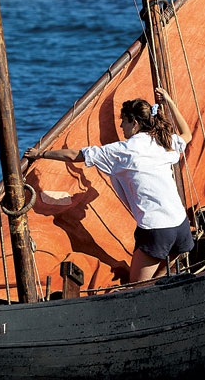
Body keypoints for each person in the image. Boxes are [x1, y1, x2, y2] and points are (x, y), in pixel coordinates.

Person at [24, 87, 193, 283]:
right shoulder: (163, 142)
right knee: (164, 269)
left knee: (136, 288)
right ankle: (159, 284)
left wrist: (40, 154)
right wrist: (169, 101)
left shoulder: (124, 150)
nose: (121, 126)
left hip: (156, 229)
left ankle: (153, 292)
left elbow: (75, 155)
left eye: (123, 121)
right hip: (181, 226)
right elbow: (186, 134)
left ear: (135, 123)